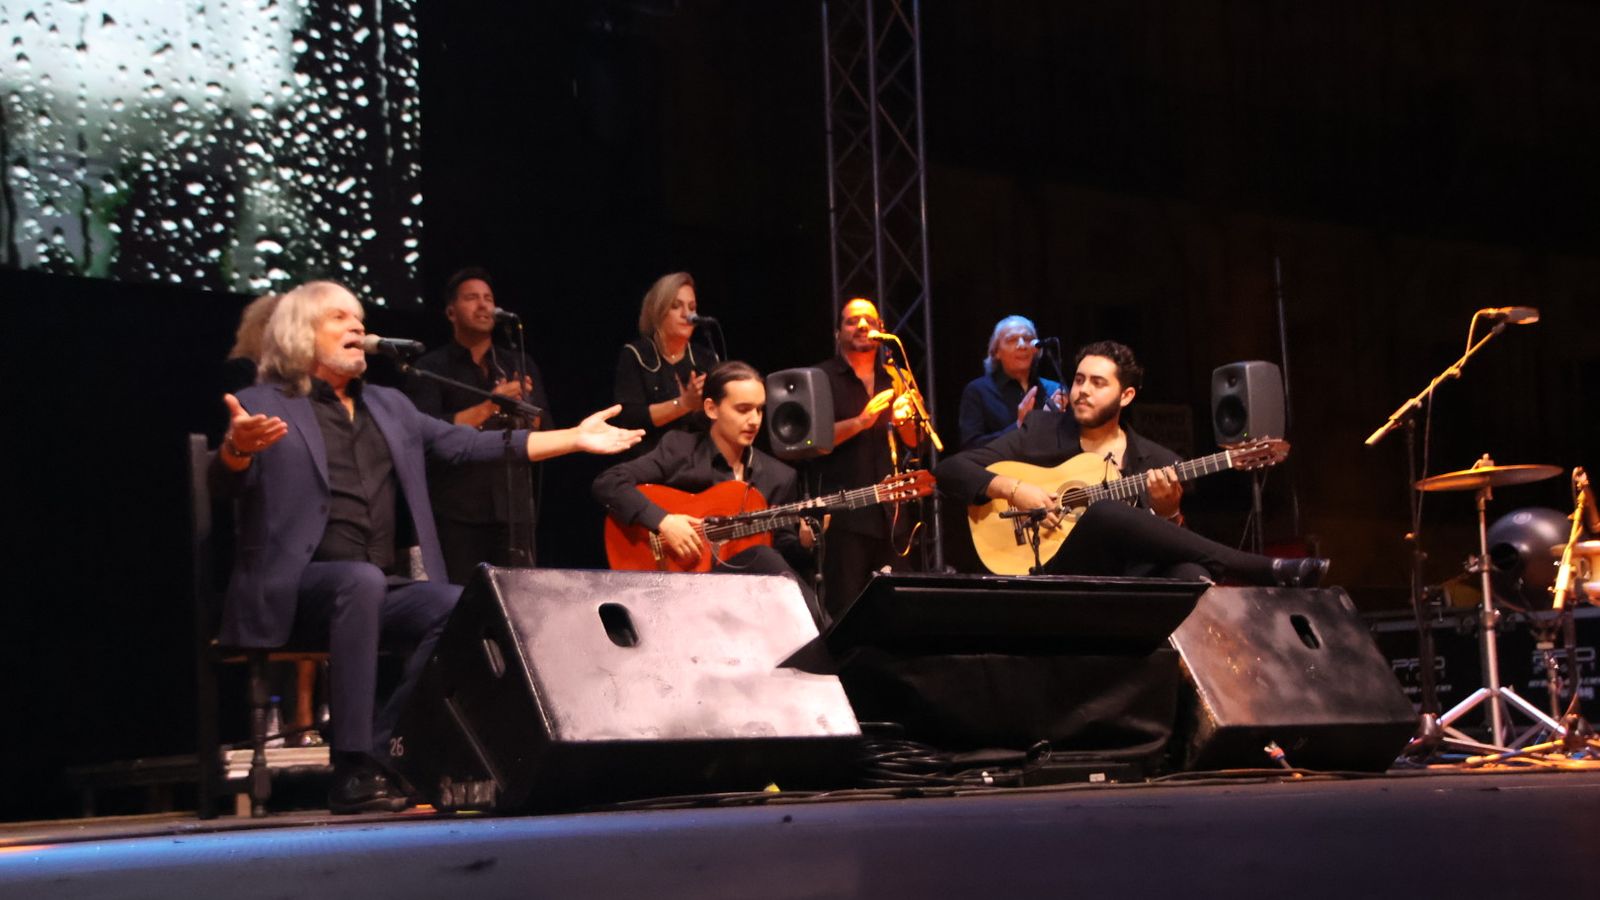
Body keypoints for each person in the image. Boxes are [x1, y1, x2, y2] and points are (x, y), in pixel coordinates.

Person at [211, 280, 642, 813]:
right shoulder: (261, 404)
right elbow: (223, 483)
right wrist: (235, 450)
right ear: (301, 333)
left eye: (360, 319)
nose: (357, 327)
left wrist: (574, 438)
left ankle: (384, 753)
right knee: (360, 581)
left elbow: (469, 445)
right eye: (340, 319)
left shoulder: (390, 407)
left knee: (456, 604)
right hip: (293, 590)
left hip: (369, 591)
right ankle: (348, 770)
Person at [936, 339, 1328, 585]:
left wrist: (1170, 514)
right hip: (1055, 566)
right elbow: (950, 469)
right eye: (1079, 380)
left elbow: (1167, 541)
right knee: (1105, 511)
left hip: (1126, 574)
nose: (1082, 391)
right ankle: (1262, 569)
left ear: (1125, 397)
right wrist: (1015, 489)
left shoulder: (1160, 460)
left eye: (1097, 383)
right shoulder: (1040, 430)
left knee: (1192, 575)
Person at [593, 361, 825, 626]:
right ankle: (830, 640)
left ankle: (828, 642)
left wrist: (805, 543)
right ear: (711, 408)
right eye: (743, 409)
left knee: (766, 558)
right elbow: (608, 482)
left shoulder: (778, 476)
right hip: (679, 587)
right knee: (764, 558)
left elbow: (783, 550)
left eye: (760, 410)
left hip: (746, 597)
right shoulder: (680, 449)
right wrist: (663, 521)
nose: (754, 420)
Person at [405, 267, 551, 583]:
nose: (484, 305)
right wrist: (490, 406)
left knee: (519, 601)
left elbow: (546, 431)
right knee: (461, 601)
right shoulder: (430, 368)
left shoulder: (518, 364)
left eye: (488, 298)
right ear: (451, 312)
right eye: (472, 298)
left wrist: (527, 409)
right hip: (458, 512)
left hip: (514, 511)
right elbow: (426, 434)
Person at [807, 298, 923, 618]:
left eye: (869, 321)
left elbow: (916, 441)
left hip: (892, 515)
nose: (861, 326)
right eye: (851, 321)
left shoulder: (896, 377)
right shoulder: (821, 378)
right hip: (845, 515)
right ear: (837, 333)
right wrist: (861, 422)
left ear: (881, 330)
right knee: (846, 610)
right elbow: (811, 444)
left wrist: (904, 422)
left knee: (896, 610)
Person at [612, 271, 720, 458]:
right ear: (658, 311)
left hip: (699, 462)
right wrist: (684, 404)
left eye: (692, 307)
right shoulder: (636, 354)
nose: (687, 315)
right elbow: (631, 418)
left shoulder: (706, 358)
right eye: (676, 306)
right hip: (649, 464)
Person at [957, 315, 1066, 449]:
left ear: (1036, 349)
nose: (1022, 345)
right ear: (996, 351)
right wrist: (1019, 426)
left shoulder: (1053, 389)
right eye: (1012, 340)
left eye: (1028, 339)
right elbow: (971, 446)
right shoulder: (978, 391)